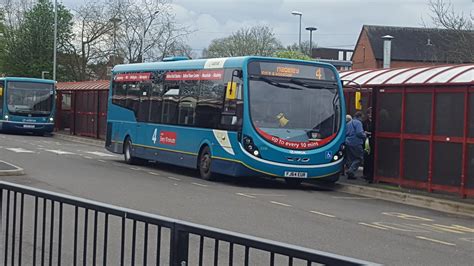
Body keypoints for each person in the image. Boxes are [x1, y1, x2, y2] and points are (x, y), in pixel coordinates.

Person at [345, 111, 366, 179]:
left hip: (348, 142)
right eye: (362, 117)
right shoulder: (358, 123)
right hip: (356, 142)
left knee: (351, 159)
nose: (362, 119)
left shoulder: (349, 123)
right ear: (359, 116)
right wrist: (365, 135)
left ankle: (351, 175)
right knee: (359, 158)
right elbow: (359, 133)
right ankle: (351, 171)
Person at [362, 108, 374, 183]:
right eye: (369, 114)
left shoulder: (375, 122)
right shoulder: (364, 122)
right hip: (366, 141)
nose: (370, 115)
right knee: (366, 157)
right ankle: (365, 173)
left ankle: (369, 173)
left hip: (372, 140)